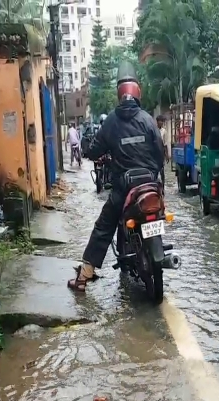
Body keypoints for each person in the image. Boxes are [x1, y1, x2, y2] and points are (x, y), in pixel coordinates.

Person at [67, 76, 166, 292]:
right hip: (150, 184)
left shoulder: (112, 121)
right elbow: (160, 153)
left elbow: (93, 150)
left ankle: (84, 276)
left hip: (125, 186)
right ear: (138, 95)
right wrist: (154, 175)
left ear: (119, 96)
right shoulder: (148, 119)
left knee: (104, 226)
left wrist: (95, 153)